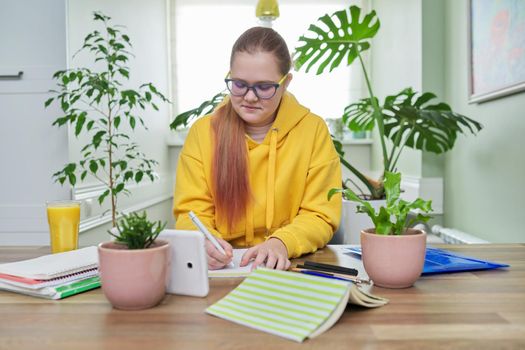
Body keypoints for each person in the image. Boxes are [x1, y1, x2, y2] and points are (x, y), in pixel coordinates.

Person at [173, 27, 341, 271]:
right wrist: (204, 244)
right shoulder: (202, 133)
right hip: (224, 269)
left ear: (286, 83)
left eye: (264, 87)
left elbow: (321, 214)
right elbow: (192, 214)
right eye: (240, 84)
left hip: (290, 264)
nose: (250, 97)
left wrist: (282, 243)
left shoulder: (313, 130)